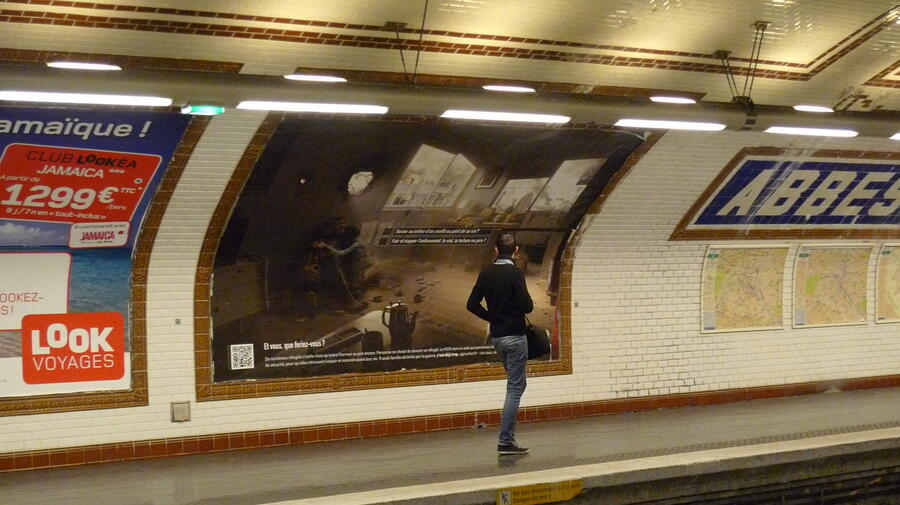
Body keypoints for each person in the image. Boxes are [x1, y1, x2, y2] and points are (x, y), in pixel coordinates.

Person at [466, 232, 534, 455]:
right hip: (515, 336)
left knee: (518, 385)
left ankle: (508, 434)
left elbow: (472, 304)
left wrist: (492, 318)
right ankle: (505, 441)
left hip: (498, 338)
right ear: (516, 251)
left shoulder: (486, 272)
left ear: (495, 250)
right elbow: (527, 306)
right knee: (514, 389)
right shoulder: (515, 273)